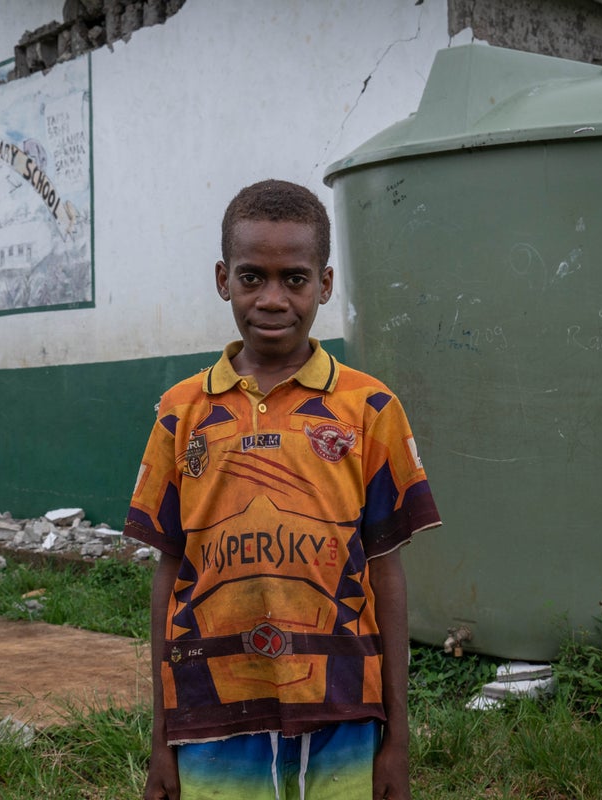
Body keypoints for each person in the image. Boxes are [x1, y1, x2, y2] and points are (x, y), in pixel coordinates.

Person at [123, 179, 441, 800]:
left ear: (323, 284)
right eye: (251, 278)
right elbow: (170, 570)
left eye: (294, 279)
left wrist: (397, 739)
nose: (272, 299)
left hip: (342, 703)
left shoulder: (369, 408)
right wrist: (161, 738)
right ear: (223, 279)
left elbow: (387, 575)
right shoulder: (180, 412)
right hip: (211, 706)